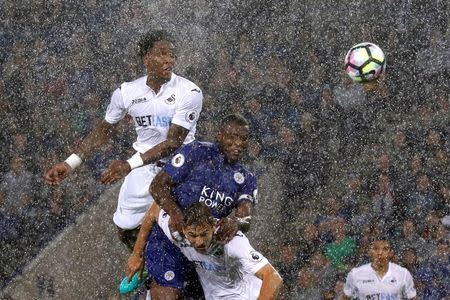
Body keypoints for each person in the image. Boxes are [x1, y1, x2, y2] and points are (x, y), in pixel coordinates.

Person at [44, 30, 203, 248]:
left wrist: (128, 164)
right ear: (146, 59)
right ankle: (148, 272)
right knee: (124, 229)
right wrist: (71, 162)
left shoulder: (189, 91)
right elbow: (103, 129)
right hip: (143, 169)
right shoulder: (126, 92)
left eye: (172, 55)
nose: (169, 60)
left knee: (186, 233)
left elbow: (173, 142)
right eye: (162, 54)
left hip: (181, 169)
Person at [128, 114, 258, 299]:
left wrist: (236, 222)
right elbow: (157, 186)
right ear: (219, 135)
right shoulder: (195, 152)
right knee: (169, 294)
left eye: (243, 138)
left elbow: (245, 216)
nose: (238, 143)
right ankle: (155, 282)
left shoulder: (246, 178)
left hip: (203, 252)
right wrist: (175, 214)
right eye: (232, 136)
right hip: (169, 242)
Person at [127, 202, 282, 300]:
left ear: (213, 228)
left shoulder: (232, 241)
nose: (199, 242)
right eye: (193, 235)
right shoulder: (179, 235)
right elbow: (155, 209)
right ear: (184, 229)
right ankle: (152, 273)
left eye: (204, 234)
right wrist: (137, 254)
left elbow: (273, 277)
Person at [343, 237, 419, 300]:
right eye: (376, 249)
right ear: (370, 252)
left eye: (385, 249)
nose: (380, 253)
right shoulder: (356, 274)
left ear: (391, 253)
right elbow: (345, 297)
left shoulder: (403, 273)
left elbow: (412, 297)